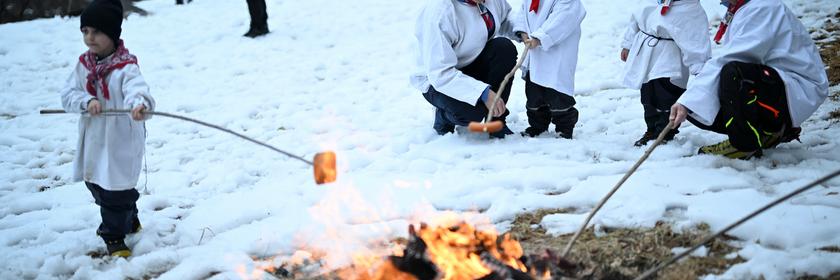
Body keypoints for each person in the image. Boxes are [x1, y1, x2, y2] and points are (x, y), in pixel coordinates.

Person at [670, 0, 829, 159]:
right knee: (696, 105)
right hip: (779, 83)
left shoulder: (762, 7)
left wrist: (688, 99)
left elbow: (737, 57)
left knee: (734, 74)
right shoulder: (744, 8)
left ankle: (744, 144)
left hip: (798, 88)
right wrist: (689, 101)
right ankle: (767, 132)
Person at [61, 0, 155, 257]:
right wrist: (86, 100)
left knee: (117, 189)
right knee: (98, 186)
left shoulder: (126, 67)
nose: (89, 37)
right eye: (85, 31)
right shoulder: (84, 66)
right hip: (94, 138)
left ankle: (113, 234)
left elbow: (138, 90)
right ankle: (128, 216)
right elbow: (68, 94)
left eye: (96, 31)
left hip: (119, 139)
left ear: (112, 33)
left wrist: (139, 105)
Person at [410, 0, 518, 139]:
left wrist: (521, 31)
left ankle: (495, 121)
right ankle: (443, 116)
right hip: (437, 80)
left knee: (504, 48)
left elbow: (505, 16)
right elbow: (440, 73)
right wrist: (483, 93)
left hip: (470, 62)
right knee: (472, 113)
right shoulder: (439, 12)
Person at [620, 0, 711, 146]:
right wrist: (627, 44)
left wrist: (700, 69)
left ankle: (664, 133)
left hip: (670, 58)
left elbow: (696, 39)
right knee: (647, 95)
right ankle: (651, 129)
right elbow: (635, 20)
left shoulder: (689, 8)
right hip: (646, 55)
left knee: (666, 96)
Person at [512, 0, 586, 139]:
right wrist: (523, 33)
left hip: (557, 53)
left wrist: (540, 37)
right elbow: (524, 12)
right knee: (534, 92)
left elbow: (564, 18)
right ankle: (537, 125)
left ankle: (564, 127)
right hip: (534, 54)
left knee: (557, 92)